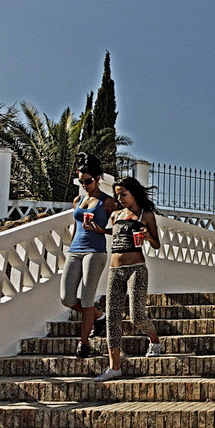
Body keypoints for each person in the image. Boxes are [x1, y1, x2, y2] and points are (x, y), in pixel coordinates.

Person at [93, 176, 162, 382]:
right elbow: (115, 232)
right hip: (115, 271)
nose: (120, 198)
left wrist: (147, 236)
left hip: (136, 269)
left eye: (123, 194)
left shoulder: (145, 214)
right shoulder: (115, 215)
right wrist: (100, 230)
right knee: (112, 317)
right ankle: (114, 367)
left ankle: (154, 339)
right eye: (117, 195)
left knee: (136, 316)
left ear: (133, 193)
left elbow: (156, 244)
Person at [61, 153, 117, 359]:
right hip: (75, 251)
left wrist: (103, 231)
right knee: (66, 298)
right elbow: (76, 227)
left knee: (86, 299)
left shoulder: (107, 202)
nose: (84, 184)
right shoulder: (78, 200)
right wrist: (70, 246)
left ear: (98, 178)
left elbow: (123, 226)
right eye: (81, 181)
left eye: (88, 181)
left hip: (95, 252)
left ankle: (83, 344)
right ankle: (99, 316)